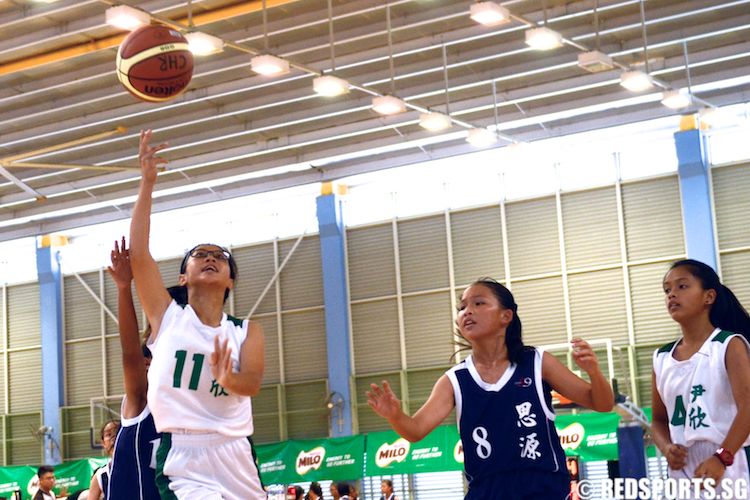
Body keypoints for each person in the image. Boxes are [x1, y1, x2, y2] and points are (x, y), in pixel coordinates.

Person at [367, 278, 614, 499]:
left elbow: (602, 403)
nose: (467, 311)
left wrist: (594, 372)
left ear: (506, 316)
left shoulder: (538, 362)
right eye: (462, 307)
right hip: (486, 491)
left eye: (478, 303)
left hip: (543, 488)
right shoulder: (455, 380)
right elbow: (415, 430)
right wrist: (395, 416)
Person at [130, 128, 265, 499]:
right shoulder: (167, 316)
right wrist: (147, 183)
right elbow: (139, 255)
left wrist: (229, 378)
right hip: (185, 454)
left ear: (230, 282)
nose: (209, 258)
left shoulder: (247, 330)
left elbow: (250, 384)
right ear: (183, 276)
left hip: (236, 452)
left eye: (219, 257)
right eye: (200, 255)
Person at [652, 259, 750, 488]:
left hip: (728, 460)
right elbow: (658, 420)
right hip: (682, 469)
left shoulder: (728, 344)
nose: (672, 295)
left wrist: (722, 457)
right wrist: (666, 448)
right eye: (667, 290)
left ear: (709, 296)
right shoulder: (661, 357)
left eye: (682, 286)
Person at [106, 237, 162, 500]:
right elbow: (129, 351)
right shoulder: (140, 398)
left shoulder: (188, 407)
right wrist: (122, 288)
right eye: (146, 358)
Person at [88, 420, 120, 500]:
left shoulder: (141, 465)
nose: (113, 437)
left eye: (117, 432)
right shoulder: (101, 475)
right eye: (109, 434)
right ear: (103, 443)